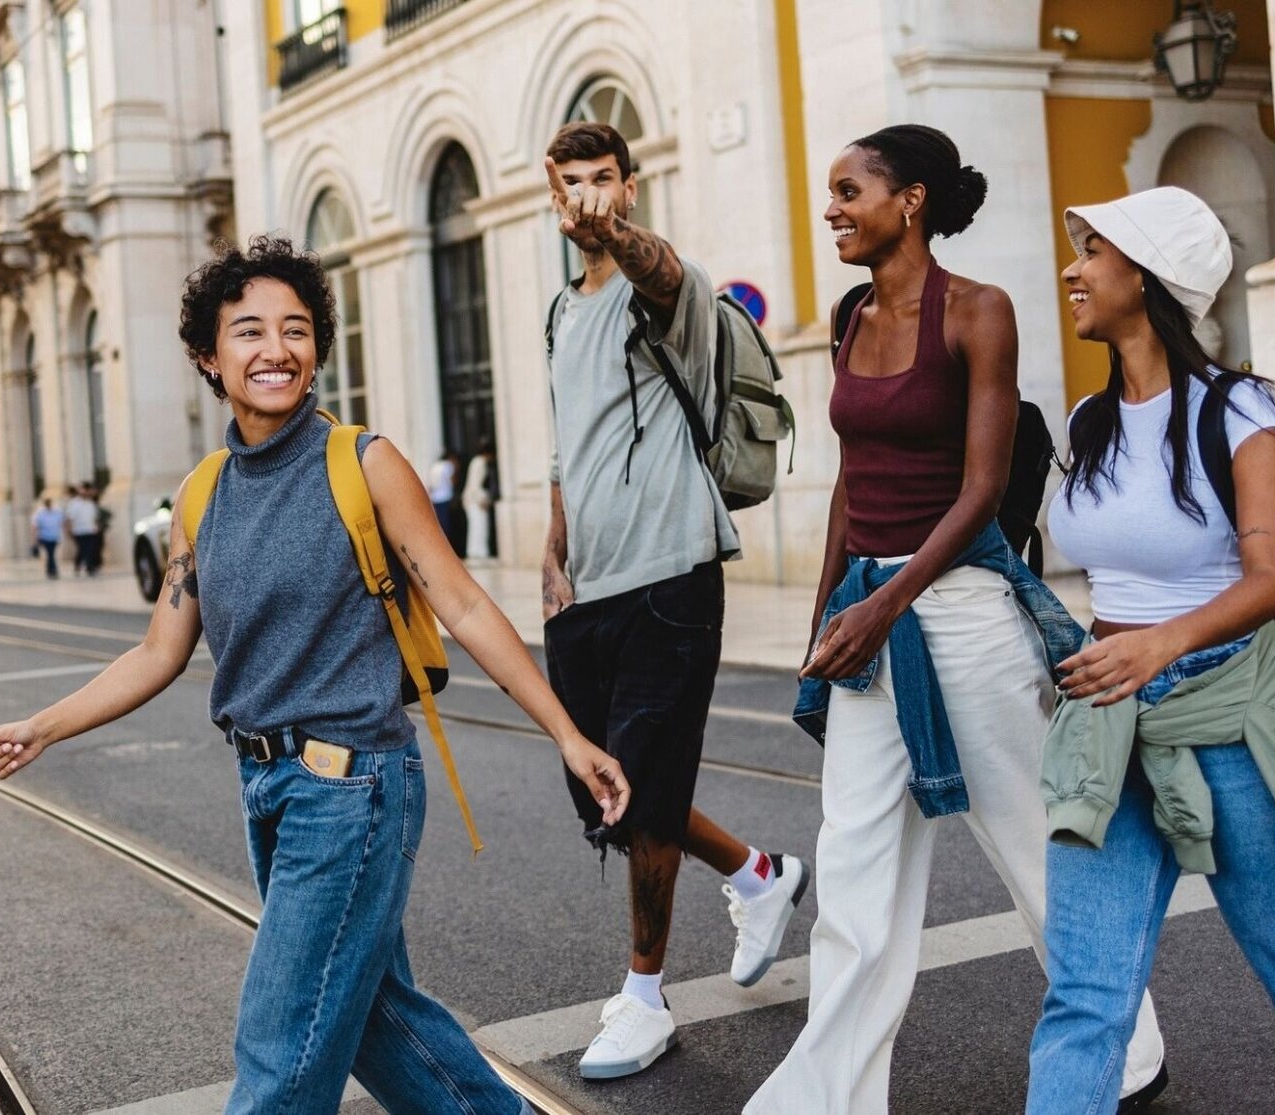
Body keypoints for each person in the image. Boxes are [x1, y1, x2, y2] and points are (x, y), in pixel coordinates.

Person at [0, 235, 629, 1114]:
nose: (275, 349)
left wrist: (568, 734)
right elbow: (159, 651)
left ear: (317, 347)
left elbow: (462, 605)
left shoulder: (364, 462)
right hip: (268, 785)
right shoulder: (201, 497)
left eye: (296, 329)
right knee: (379, 1020)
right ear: (208, 355)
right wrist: (42, 725)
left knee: (280, 1054)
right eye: (248, 331)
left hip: (351, 785)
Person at [748, 125, 1166, 1113]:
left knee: (1029, 840)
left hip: (964, 607)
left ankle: (1127, 1043)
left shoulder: (978, 311)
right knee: (853, 865)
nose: (832, 210)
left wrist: (886, 601)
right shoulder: (849, 317)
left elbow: (981, 489)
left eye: (849, 190)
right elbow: (850, 479)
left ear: (911, 201)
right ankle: (825, 1096)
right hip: (867, 613)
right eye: (830, 193)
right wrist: (826, 616)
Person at [1027, 187, 1275, 1115]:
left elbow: (1271, 580)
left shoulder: (1241, 412)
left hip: (1234, 714)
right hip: (1109, 721)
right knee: (1084, 997)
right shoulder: (1089, 419)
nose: (1073, 268)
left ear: (1147, 277)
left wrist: (1161, 644)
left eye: (1095, 251)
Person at [541, 121, 806, 1081]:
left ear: (632, 188)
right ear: (549, 188)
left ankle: (647, 996)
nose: (586, 199)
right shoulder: (561, 312)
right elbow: (568, 445)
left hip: (673, 570)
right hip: (589, 587)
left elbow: (653, 271)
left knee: (642, 794)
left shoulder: (673, 290)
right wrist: (552, 555)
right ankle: (759, 874)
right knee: (610, 787)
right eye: (572, 184)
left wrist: (614, 231)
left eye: (604, 182)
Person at [462, 439, 495, 561]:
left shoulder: (476, 462)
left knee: (476, 526)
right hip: (474, 501)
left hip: (471, 499)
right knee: (479, 526)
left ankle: (476, 552)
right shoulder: (480, 463)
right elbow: (475, 485)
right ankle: (478, 552)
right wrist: (483, 499)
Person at [425, 450, 461, 556]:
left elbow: (430, 485)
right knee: (448, 525)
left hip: (435, 498)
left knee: (440, 523)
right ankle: (450, 550)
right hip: (446, 497)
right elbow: (452, 480)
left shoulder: (434, 466)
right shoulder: (448, 465)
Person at [66, 482, 102, 575]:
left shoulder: (91, 503)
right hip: (78, 531)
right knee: (82, 549)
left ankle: (89, 568)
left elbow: (95, 517)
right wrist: (69, 530)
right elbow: (70, 518)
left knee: (90, 549)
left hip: (90, 530)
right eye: (85, 490)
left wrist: (97, 527)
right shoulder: (74, 503)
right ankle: (80, 564)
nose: (87, 492)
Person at [32, 497, 64, 579]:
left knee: (51, 554)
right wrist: (35, 538)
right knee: (50, 554)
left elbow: (61, 523)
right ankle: (53, 570)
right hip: (44, 537)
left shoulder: (57, 512)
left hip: (54, 536)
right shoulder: (39, 513)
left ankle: (50, 570)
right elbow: (35, 526)